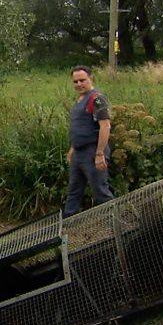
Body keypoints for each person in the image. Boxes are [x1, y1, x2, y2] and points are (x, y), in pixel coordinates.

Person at [64, 65, 115, 217]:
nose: (79, 84)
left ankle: (115, 224)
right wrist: (72, 149)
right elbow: (80, 127)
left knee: (100, 190)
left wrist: (99, 154)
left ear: (90, 79)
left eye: (82, 80)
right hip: (78, 152)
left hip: (92, 151)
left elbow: (105, 126)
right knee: (73, 190)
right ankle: (68, 225)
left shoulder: (96, 98)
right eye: (75, 82)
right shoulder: (79, 101)